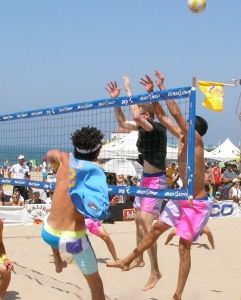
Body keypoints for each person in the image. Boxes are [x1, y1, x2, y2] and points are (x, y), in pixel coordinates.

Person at [108, 70, 213, 300]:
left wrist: (164, 89)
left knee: (183, 249)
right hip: (182, 196)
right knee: (155, 228)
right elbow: (162, 115)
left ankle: (177, 295)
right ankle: (130, 260)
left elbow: (175, 115)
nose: (184, 125)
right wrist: (152, 93)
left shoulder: (197, 141)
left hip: (198, 203)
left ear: (195, 129)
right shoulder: (183, 138)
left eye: (189, 123)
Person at [106, 74, 167, 290]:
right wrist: (116, 100)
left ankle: (155, 270)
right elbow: (123, 122)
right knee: (137, 222)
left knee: (145, 222)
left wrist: (129, 89)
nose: (138, 114)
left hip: (157, 181)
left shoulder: (155, 127)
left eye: (141, 112)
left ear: (147, 114)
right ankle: (139, 259)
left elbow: (135, 115)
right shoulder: (142, 126)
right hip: (145, 180)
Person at [42, 126, 110, 300]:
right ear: (98, 150)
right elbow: (99, 211)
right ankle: (59, 256)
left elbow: (50, 153)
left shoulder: (65, 159)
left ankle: (57, 258)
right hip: (71, 240)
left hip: (47, 232)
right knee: (96, 284)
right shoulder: (95, 171)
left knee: (53, 216)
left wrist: (56, 166)